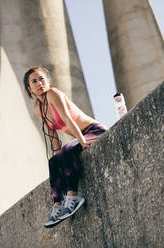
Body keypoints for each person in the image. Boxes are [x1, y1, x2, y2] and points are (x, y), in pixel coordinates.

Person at [23, 66, 107, 228]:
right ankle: (57, 206)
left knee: (68, 151)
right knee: (53, 161)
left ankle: (73, 197)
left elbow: (68, 119)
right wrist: (57, 157)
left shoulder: (53, 94)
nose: (40, 83)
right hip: (80, 136)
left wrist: (82, 141)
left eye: (42, 79)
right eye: (34, 81)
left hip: (93, 131)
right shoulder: (38, 108)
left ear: (48, 81)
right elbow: (52, 135)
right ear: (29, 88)